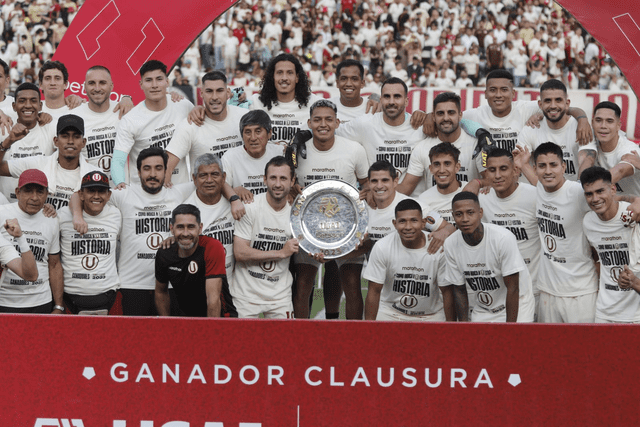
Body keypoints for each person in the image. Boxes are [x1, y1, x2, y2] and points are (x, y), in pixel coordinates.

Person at [71, 147, 194, 316]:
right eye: (147, 168)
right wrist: (78, 216)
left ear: (166, 171)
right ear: (138, 172)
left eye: (158, 168)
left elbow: (209, 181)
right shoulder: (124, 194)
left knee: (170, 338)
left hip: (171, 285)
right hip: (132, 286)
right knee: (135, 340)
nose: (152, 174)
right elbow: (78, 195)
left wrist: (235, 194)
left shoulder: (177, 193)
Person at [292, 99, 369, 320]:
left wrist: (365, 194)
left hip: (346, 226)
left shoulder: (354, 149)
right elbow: (289, 183)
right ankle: (302, 336)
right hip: (308, 227)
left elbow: (366, 183)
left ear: (337, 122)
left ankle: (348, 334)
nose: (322, 124)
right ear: (309, 122)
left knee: (352, 284)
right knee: (303, 284)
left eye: (328, 119)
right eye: (317, 119)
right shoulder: (298, 152)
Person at [464, 148, 542, 314]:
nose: (497, 175)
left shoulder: (534, 195)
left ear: (515, 170)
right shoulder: (483, 199)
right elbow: (463, 204)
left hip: (534, 288)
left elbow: (553, 196)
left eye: (503, 169)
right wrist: (477, 183)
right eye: (492, 170)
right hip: (499, 293)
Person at [442, 191, 535, 322]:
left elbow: (513, 288)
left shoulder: (502, 238)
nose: (465, 219)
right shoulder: (450, 244)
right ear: (453, 216)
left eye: (470, 212)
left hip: (518, 303)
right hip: (484, 309)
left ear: (480, 212)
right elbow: (459, 290)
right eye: (459, 214)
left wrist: (510, 329)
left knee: (511, 341)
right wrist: (463, 328)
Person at [533, 142, 599, 323]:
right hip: (547, 290)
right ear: (535, 169)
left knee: (583, 350)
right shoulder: (539, 188)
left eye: (553, 165)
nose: (548, 171)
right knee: (549, 350)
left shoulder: (577, 192)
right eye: (542, 166)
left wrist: (634, 201)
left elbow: (608, 202)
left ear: (563, 167)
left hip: (580, 291)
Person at [337, 77, 427, 196]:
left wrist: (429, 116)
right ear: (380, 100)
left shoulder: (420, 127)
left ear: (406, 101)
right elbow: (330, 132)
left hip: (410, 206)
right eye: (386, 96)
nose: (391, 102)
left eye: (397, 96)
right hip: (375, 204)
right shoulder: (365, 124)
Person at [232, 156, 297, 319]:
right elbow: (240, 253)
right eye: (273, 178)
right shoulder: (250, 208)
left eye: (283, 178)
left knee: (285, 343)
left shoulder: (296, 214)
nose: (277, 184)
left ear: (292, 181)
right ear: (264, 180)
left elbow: (310, 247)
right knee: (241, 344)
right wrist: (280, 253)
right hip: (245, 295)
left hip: (280, 296)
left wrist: (321, 256)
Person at [112, 60, 193, 186]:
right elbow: (118, 160)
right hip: (145, 196)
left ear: (167, 82)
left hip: (179, 192)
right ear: (141, 84)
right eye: (149, 80)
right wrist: (120, 183)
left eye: (159, 79)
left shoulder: (184, 106)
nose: (154, 85)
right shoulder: (130, 119)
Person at [364, 199, 447, 321]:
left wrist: (452, 327)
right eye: (402, 221)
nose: (408, 227)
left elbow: (447, 292)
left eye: (414, 221)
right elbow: (374, 291)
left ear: (423, 222)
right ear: (394, 223)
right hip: (391, 313)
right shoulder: (383, 246)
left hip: (430, 315)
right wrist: (368, 330)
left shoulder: (437, 247)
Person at [165, 71, 247, 186]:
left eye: (219, 91)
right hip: (206, 200)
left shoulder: (244, 118)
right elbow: (166, 167)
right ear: (201, 93)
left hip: (243, 197)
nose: (214, 97)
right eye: (209, 91)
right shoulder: (190, 125)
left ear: (228, 93)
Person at [155, 204, 237, 318]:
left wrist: (210, 333)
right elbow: (160, 292)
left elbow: (213, 300)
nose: (185, 233)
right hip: (187, 317)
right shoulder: (164, 253)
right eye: (180, 227)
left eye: (191, 227)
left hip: (220, 318)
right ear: (171, 228)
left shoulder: (212, 247)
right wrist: (166, 322)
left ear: (200, 228)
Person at [581, 166, 640, 323]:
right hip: (604, 313)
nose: (595, 198)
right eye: (589, 194)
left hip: (636, 315)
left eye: (600, 191)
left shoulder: (633, 214)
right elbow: (597, 258)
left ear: (613, 189)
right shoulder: (588, 222)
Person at [0, 114, 95, 209]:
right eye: (65, 136)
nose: (70, 141)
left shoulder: (92, 174)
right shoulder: (39, 164)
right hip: (41, 223)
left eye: (76, 136)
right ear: (56, 141)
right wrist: (7, 142)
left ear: (83, 142)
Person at [0, 169, 62, 314]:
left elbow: (54, 264)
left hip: (40, 300)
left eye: (40, 192)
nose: (34, 197)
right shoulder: (3, 213)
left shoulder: (51, 219)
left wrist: (58, 305)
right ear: (17, 192)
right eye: (28, 191)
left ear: (47, 194)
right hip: (5, 299)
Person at [58, 171, 120, 314]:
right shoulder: (63, 215)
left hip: (107, 293)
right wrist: (76, 216)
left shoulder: (116, 214)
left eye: (101, 191)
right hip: (70, 294)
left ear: (109, 195)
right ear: (81, 194)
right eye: (91, 191)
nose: (96, 196)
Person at [398, 92, 482, 196]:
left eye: (451, 113)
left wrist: (478, 182)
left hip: (467, 210)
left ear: (460, 115)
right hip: (433, 211)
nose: (446, 118)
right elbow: (406, 188)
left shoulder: (475, 146)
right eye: (440, 113)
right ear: (433, 116)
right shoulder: (422, 148)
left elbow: (491, 180)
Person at [516, 79, 597, 183]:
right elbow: (521, 162)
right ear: (540, 105)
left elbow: (587, 159)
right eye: (548, 101)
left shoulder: (581, 127)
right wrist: (546, 192)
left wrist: (577, 189)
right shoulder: (530, 128)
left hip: (575, 192)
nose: (553, 105)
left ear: (567, 103)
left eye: (558, 100)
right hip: (543, 193)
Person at [366, 160, 451, 249]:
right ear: (369, 183)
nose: (379, 186)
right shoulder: (362, 208)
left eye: (385, 180)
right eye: (374, 181)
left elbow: (449, 227)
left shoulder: (413, 206)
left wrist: (441, 234)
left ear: (395, 181)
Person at [182, 154, 235, 286]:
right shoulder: (185, 212)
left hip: (232, 291)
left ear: (223, 177)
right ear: (194, 179)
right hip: (198, 289)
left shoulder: (234, 206)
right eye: (203, 175)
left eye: (215, 174)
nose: (209, 180)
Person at [0, 82, 55, 202]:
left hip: (40, 207)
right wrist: (8, 141)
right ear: (14, 106)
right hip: (6, 207)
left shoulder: (50, 128)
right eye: (22, 101)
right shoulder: (3, 128)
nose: (28, 105)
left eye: (33, 101)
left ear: (40, 106)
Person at [250, 53, 322, 143]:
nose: (284, 78)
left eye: (290, 73)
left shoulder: (315, 103)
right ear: (273, 77)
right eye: (279, 73)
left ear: (297, 77)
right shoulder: (255, 102)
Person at [221, 110, 284, 200]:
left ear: (269, 133)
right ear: (242, 136)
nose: (253, 138)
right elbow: (222, 186)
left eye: (258, 131)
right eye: (248, 132)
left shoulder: (280, 153)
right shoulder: (230, 157)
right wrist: (234, 191)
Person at [74, 66, 122, 181]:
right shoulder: (74, 117)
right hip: (90, 191)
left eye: (102, 83)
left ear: (111, 86)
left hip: (123, 191)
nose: (97, 88)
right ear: (84, 86)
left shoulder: (124, 112)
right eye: (91, 83)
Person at [583, 101, 640, 196]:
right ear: (592, 123)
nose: (603, 126)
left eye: (609, 121)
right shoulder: (590, 142)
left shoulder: (629, 149)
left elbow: (620, 171)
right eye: (598, 120)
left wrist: (586, 184)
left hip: (632, 208)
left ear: (618, 125)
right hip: (605, 206)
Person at [418, 143, 466, 224]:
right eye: (437, 164)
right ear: (431, 168)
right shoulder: (423, 200)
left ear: (457, 167)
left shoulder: (471, 190)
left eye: (447, 164)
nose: (442, 170)